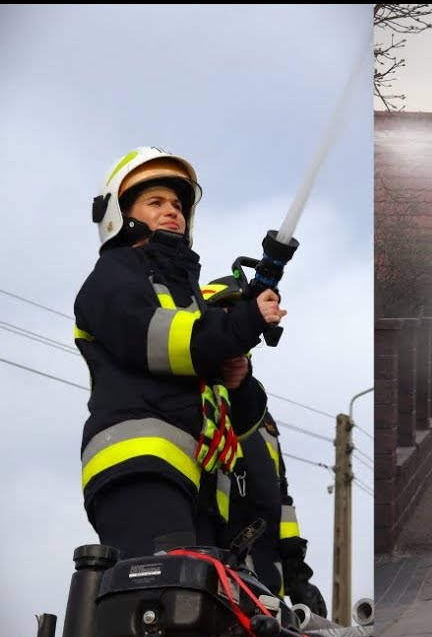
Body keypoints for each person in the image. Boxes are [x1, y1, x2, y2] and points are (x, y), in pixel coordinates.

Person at [74, 147, 286, 560]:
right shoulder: (114, 275)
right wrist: (242, 324)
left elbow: (238, 422)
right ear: (118, 215)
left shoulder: (186, 296)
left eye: (177, 204)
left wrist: (237, 377)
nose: (172, 211)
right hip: (139, 463)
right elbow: (162, 340)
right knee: (161, 600)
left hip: (197, 484)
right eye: (155, 202)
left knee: (194, 608)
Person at [202, 276, 328, 616]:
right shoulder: (198, 402)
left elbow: (281, 500)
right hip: (215, 580)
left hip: (267, 581)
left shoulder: (261, 418)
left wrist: (297, 575)